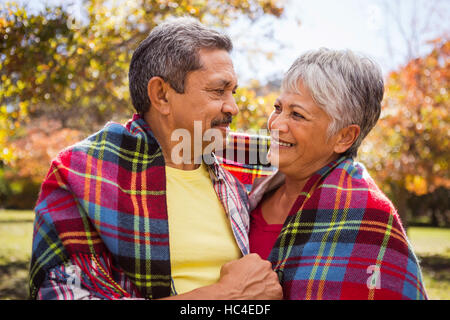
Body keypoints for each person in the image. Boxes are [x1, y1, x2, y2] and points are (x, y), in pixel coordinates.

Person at [29, 17, 282, 300]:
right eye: (217, 91)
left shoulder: (236, 170)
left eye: (232, 92)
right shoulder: (82, 174)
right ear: (161, 95)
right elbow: (60, 294)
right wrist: (227, 294)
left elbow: (308, 151)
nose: (233, 107)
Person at [247, 48, 428, 300]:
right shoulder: (245, 189)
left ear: (344, 137)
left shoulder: (368, 216)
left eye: (297, 115)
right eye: (278, 108)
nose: (276, 125)